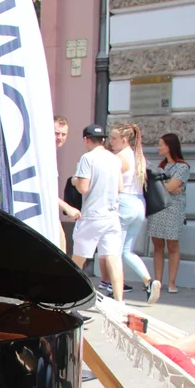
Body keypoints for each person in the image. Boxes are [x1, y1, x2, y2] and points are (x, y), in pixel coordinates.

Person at [108, 123, 161, 305]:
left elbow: (111, 181)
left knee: (114, 251)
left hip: (124, 202)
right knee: (126, 250)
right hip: (139, 203)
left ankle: (117, 293)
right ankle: (148, 281)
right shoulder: (138, 155)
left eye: (114, 138)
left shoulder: (120, 158)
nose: (111, 141)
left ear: (124, 140)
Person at [71, 124, 124, 300]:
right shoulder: (115, 159)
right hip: (112, 215)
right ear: (103, 140)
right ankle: (119, 301)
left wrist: (75, 180)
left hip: (93, 214)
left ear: (86, 139)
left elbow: (83, 188)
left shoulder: (87, 158)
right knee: (113, 258)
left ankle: (68, 296)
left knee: (77, 260)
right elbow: (120, 187)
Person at [147, 133, 190, 293]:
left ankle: (171, 283)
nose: (158, 147)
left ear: (170, 146)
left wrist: (162, 185)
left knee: (173, 245)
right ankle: (157, 281)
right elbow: (168, 187)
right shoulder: (161, 166)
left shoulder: (182, 167)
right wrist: (166, 185)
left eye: (161, 144)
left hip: (173, 210)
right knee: (157, 246)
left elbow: (171, 187)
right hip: (158, 209)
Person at [53, 115, 80, 254]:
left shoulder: (52, 154)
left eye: (64, 134)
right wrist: (67, 208)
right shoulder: (44, 155)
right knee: (60, 251)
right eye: (56, 133)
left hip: (49, 212)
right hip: (40, 213)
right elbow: (45, 191)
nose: (60, 137)